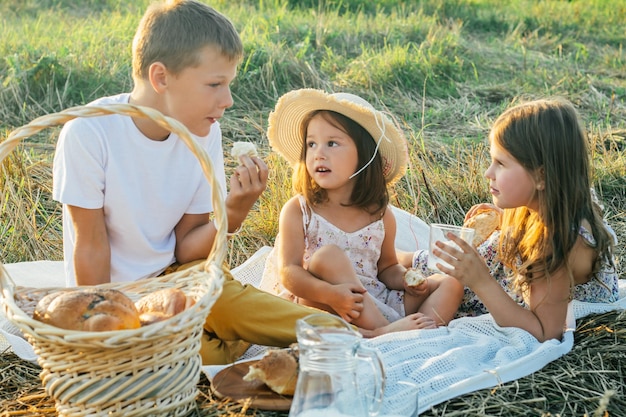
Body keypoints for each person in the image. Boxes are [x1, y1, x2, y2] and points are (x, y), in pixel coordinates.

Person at [51, 0, 419, 365]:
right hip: (117, 294)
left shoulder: (204, 130)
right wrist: (100, 324)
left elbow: (187, 250)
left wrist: (235, 210)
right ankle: (210, 338)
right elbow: (90, 246)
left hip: (185, 277)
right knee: (201, 349)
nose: (227, 100)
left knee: (252, 310)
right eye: (215, 84)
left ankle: (362, 335)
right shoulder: (90, 132)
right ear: (161, 78)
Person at [261, 88, 463, 330]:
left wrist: (406, 281)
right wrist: (331, 294)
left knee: (451, 283)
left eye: (332, 143)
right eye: (311, 144)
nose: (318, 154)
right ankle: (382, 334)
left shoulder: (380, 214)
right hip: (326, 303)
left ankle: (419, 335)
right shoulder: (300, 210)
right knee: (327, 256)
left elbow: (387, 268)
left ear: (364, 155)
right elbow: (289, 272)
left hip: (375, 299)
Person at [419, 98, 619, 342]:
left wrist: (480, 280)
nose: (488, 173)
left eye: (501, 164)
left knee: (430, 280)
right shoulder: (564, 199)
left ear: (541, 176)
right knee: (428, 264)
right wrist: (503, 218)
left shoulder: (558, 242)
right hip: (515, 272)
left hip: (509, 287)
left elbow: (546, 332)